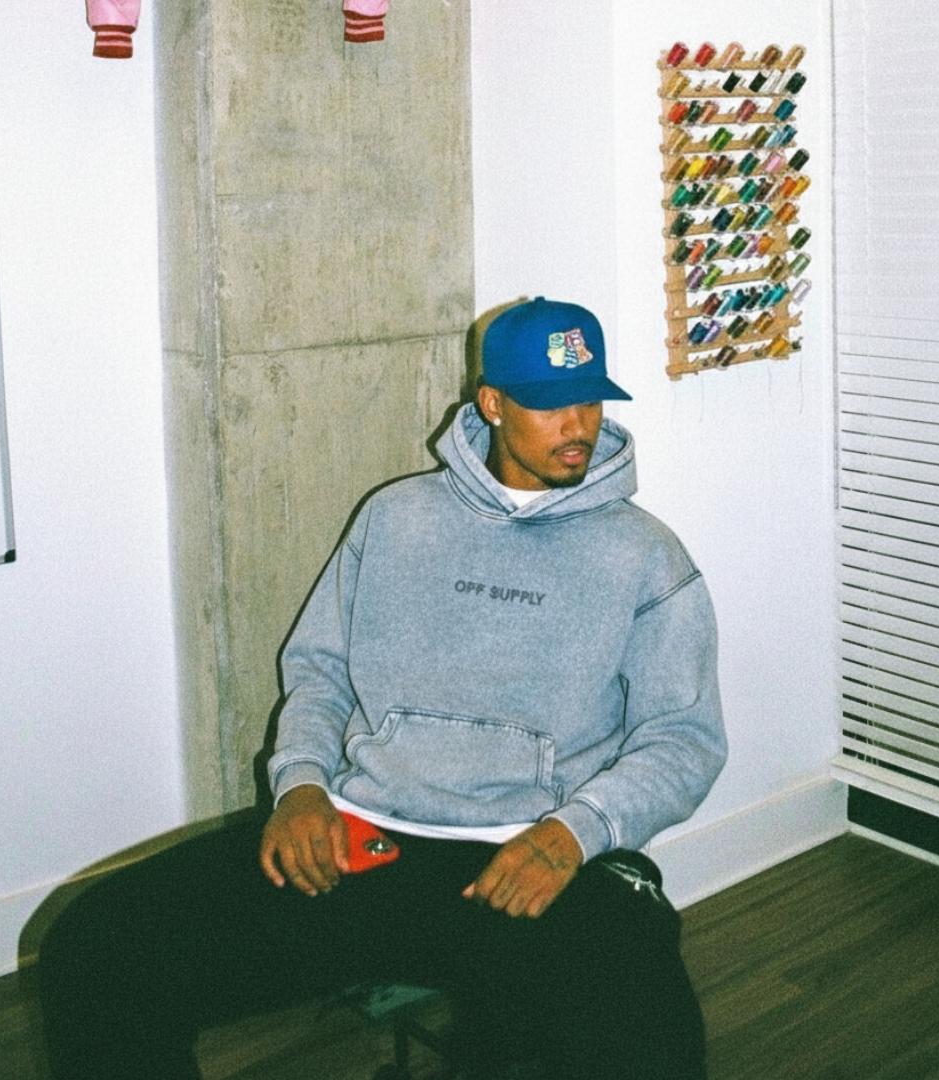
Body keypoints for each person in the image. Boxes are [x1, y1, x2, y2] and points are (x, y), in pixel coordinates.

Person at [38, 296, 727, 1080]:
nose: (578, 425)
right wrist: (301, 786)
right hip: (367, 838)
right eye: (549, 404)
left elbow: (684, 743)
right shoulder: (394, 518)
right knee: (98, 949)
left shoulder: (646, 557)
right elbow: (320, 669)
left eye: (590, 400)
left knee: (645, 1036)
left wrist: (574, 833)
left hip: (533, 852)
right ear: (492, 404)